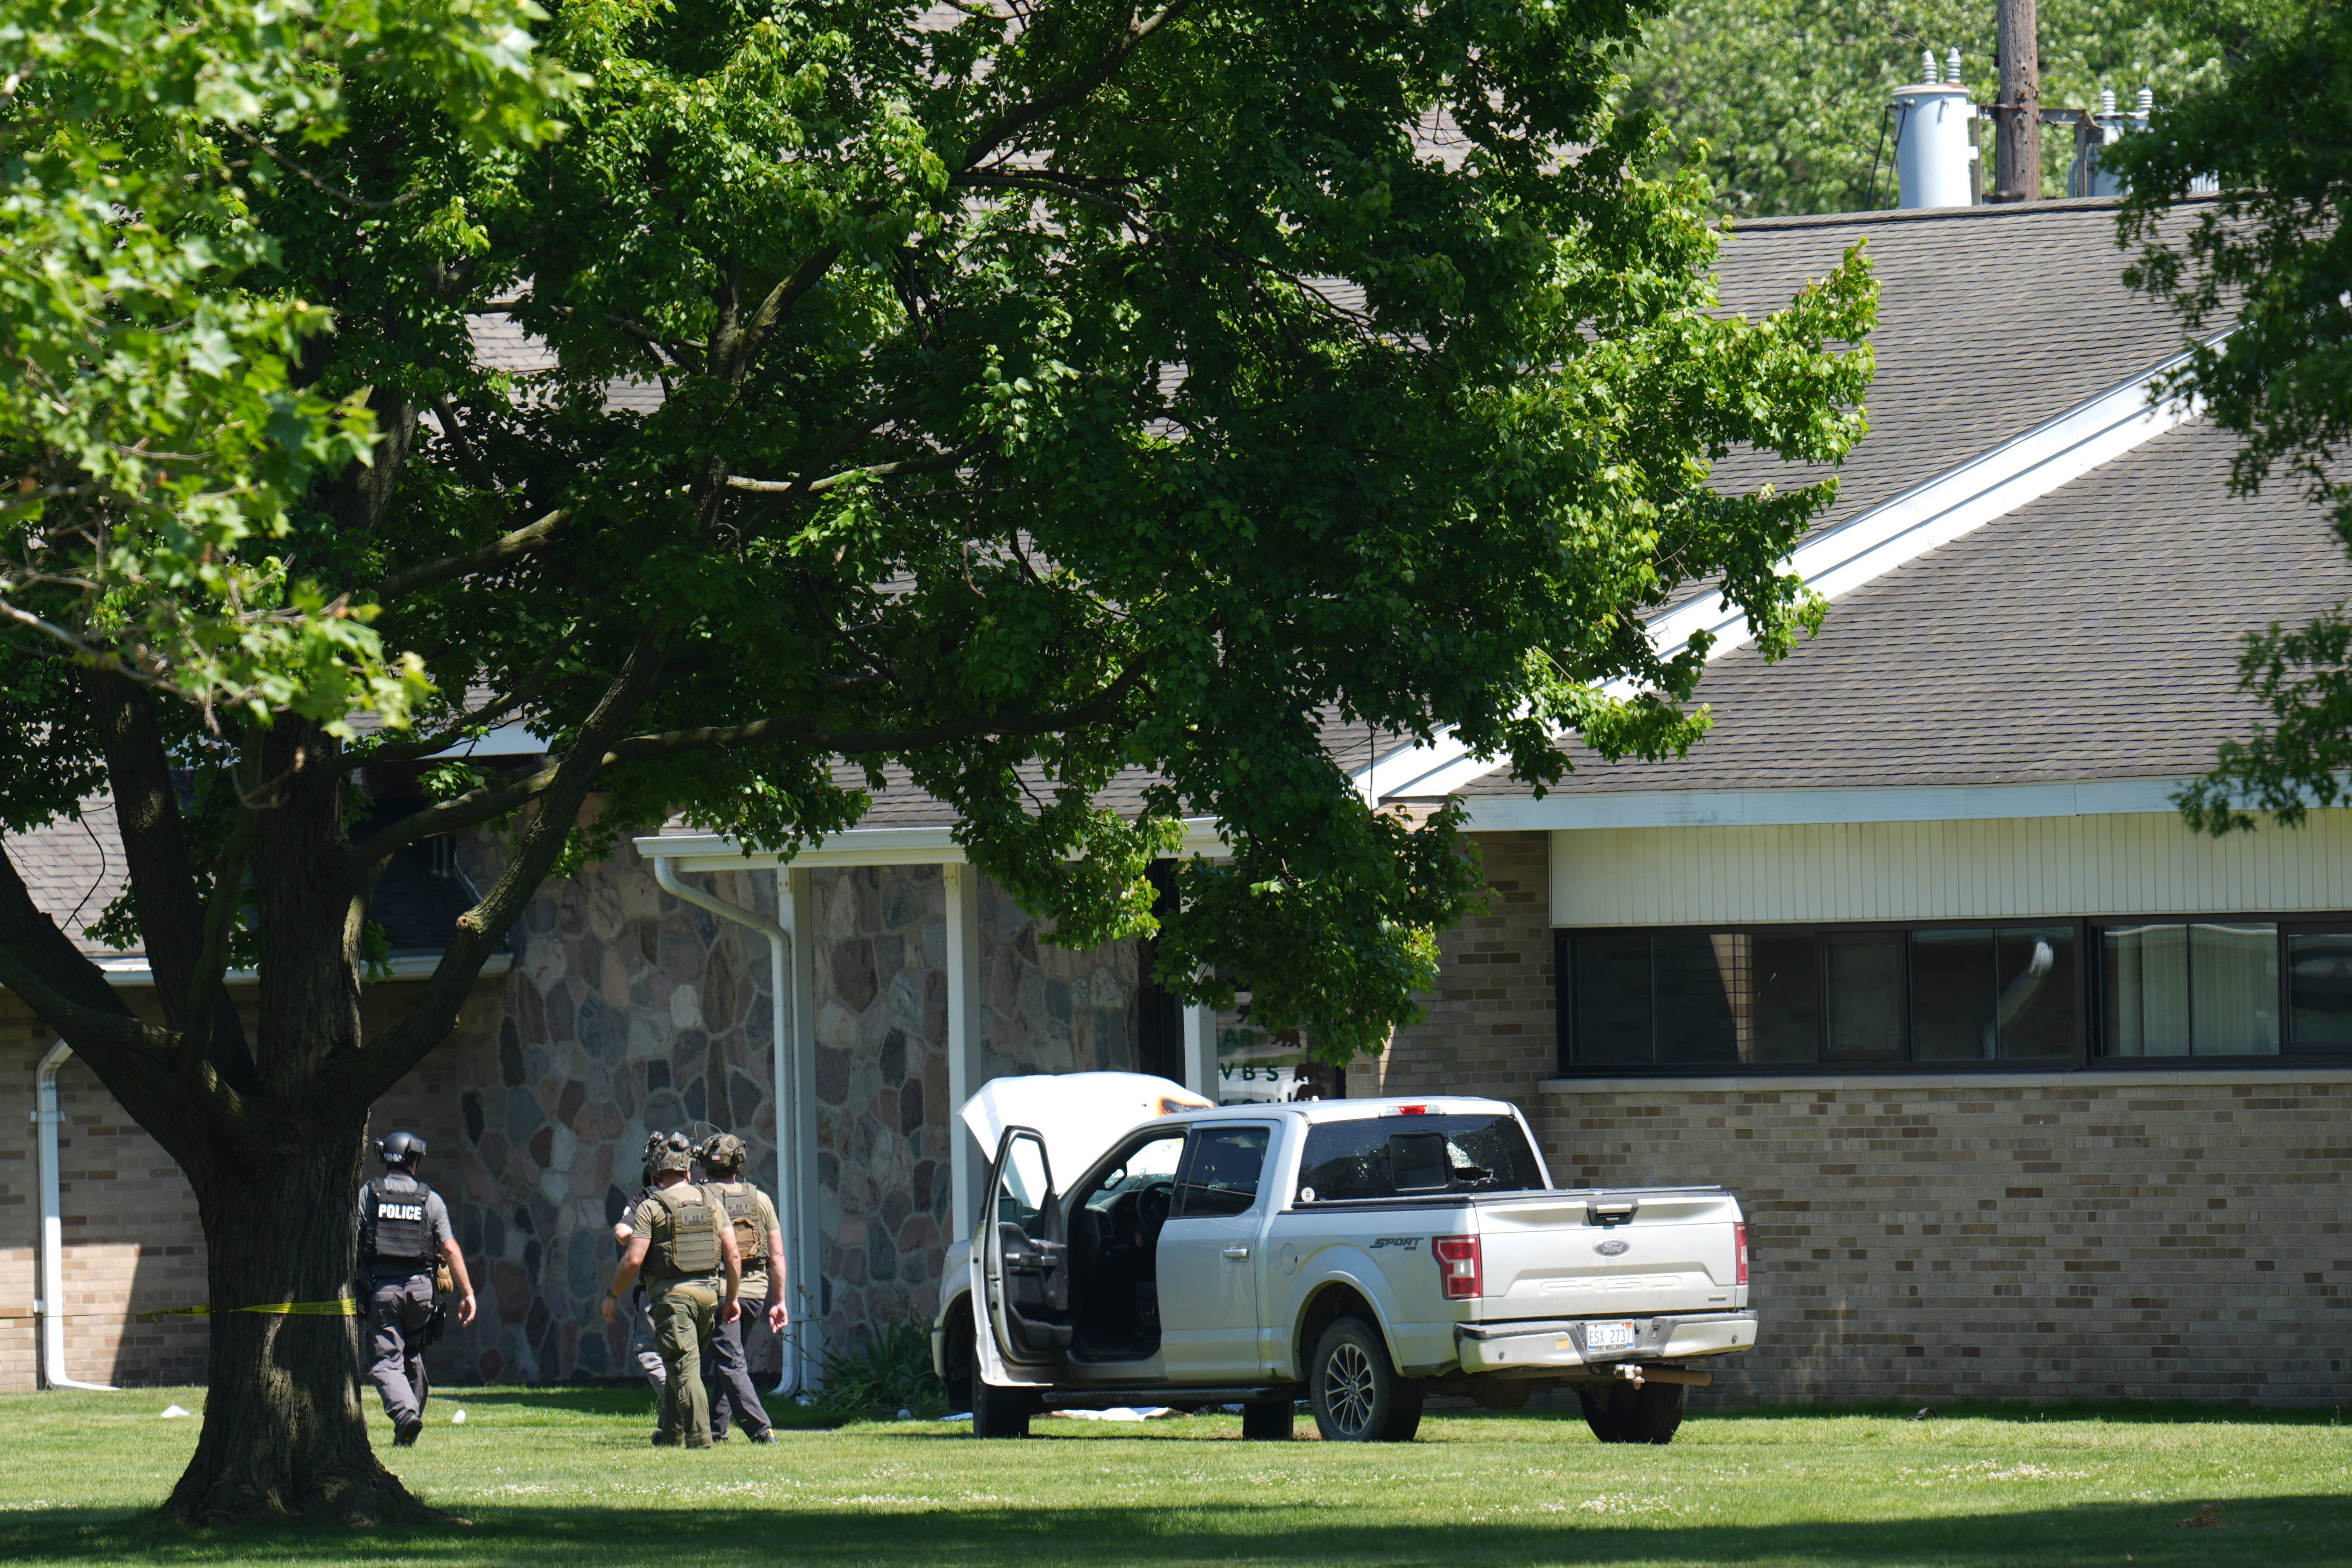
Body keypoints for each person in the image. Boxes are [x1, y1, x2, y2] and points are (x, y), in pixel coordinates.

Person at [604, 1130, 741, 1447]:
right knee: (684, 1365)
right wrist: (731, 1298)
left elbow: (633, 1259)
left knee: (685, 1367)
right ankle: (672, 1434)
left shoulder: (652, 1206)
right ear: (688, 1171)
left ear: (655, 1174)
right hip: (709, 1296)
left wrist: (611, 1296)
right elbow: (733, 1254)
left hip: (672, 1298)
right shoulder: (711, 1201)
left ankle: (701, 1437)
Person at [359, 1130, 477, 1446]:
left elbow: (349, 1238)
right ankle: (407, 1429)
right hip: (422, 1293)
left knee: (386, 1361)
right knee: (413, 1356)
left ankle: (406, 1413)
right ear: (413, 1162)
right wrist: (468, 1293)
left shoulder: (369, 1194)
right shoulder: (431, 1199)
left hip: (382, 1291)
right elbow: (450, 1248)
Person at [695, 1134, 789, 1444]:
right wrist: (780, 1301)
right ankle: (716, 1430)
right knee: (728, 1358)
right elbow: (776, 1254)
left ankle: (761, 1430)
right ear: (739, 1162)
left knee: (731, 1361)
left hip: (720, 1293)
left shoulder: (699, 1197)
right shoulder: (760, 1199)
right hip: (755, 1295)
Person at [611, 1147, 669, 1405]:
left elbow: (623, 1234)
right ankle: (678, 1422)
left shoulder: (648, 1198)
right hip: (701, 1289)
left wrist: (647, 1235)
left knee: (648, 1350)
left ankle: (680, 1406)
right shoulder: (699, 1197)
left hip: (657, 1291)